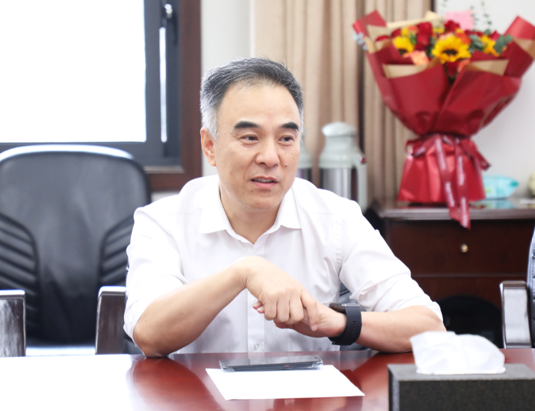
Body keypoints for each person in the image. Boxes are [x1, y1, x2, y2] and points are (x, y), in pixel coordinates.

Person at [124, 57, 445, 358]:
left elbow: (428, 327)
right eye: (250, 138)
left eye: (286, 139)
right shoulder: (162, 222)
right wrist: (244, 272)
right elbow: (149, 333)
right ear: (210, 146)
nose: (270, 157)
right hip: (198, 393)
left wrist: (336, 322)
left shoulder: (336, 218)